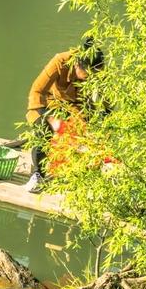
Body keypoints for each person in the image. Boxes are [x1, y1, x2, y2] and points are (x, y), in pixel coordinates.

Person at [23, 35, 105, 193]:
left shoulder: (98, 74)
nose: (92, 78)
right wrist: (48, 118)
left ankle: (81, 177)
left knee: (86, 138)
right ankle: (37, 174)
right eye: (88, 74)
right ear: (78, 66)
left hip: (77, 107)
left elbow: (104, 105)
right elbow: (36, 91)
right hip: (50, 103)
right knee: (42, 130)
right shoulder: (60, 61)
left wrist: (99, 125)